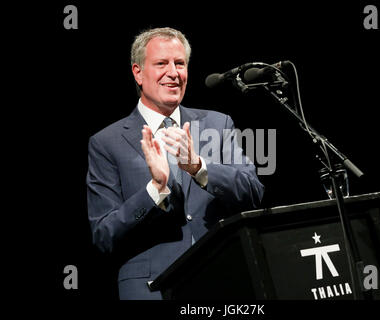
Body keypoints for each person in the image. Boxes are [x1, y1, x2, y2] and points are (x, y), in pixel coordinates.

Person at [86, 27, 264, 300]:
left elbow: (252, 192)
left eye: (180, 63)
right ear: (138, 72)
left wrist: (199, 167)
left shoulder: (217, 124)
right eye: (161, 63)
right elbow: (104, 235)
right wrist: (154, 190)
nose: (174, 73)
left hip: (224, 281)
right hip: (152, 289)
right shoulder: (106, 143)